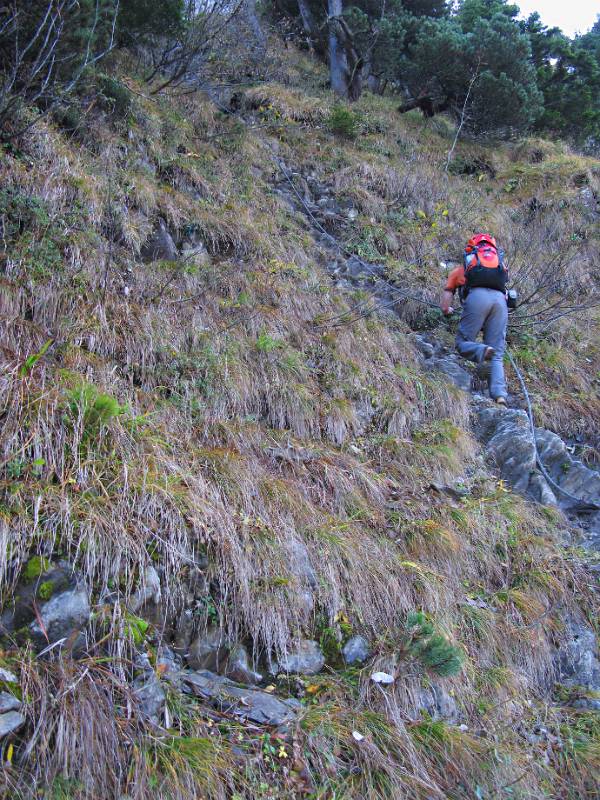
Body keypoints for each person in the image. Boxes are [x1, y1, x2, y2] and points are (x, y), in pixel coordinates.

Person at [440, 233, 508, 406]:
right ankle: (500, 395)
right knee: (498, 354)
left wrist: (447, 310)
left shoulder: (461, 271)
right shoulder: (499, 267)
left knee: (462, 343)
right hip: (500, 302)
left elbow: (447, 294)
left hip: (477, 299)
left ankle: (482, 350)